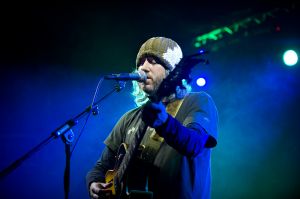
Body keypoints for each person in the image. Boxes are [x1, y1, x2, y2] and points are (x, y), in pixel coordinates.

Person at [86, 37, 218, 199]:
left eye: (153, 61)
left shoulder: (197, 101)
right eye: (140, 62)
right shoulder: (129, 118)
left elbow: (194, 144)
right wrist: (94, 183)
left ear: (173, 71)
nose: (143, 67)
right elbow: (101, 167)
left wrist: (164, 123)